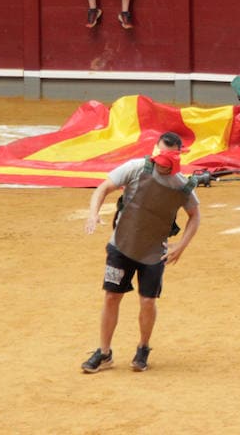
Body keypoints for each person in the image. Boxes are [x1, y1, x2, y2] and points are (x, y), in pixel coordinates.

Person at [81, 132, 201, 373]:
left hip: (154, 251)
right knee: (111, 297)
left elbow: (195, 215)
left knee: (147, 301)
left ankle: (143, 347)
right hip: (121, 245)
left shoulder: (181, 185)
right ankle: (104, 353)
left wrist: (181, 246)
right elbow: (104, 187)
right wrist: (93, 213)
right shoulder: (136, 168)